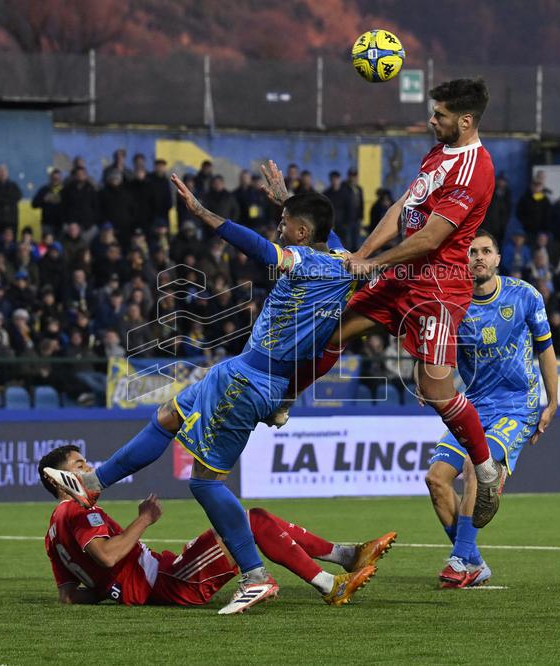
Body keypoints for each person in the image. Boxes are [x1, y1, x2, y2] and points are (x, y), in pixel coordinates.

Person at [43, 165, 355, 614]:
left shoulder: (303, 261)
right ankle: (93, 482)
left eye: (286, 225)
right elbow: (324, 235)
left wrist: (203, 212)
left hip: (248, 380)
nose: (279, 228)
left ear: (302, 233)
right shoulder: (340, 259)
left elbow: (260, 248)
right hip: (245, 371)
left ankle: (255, 576)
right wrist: (285, 200)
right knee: (166, 417)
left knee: (205, 483)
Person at [268, 78, 505, 528]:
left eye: (440, 115)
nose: (431, 120)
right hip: (405, 275)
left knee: (435, 389)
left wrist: (373, 265)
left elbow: (433, 236)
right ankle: (286, 397)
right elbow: (403, 209)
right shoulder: (439, 152)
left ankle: (486, 468)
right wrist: (361, 255)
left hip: (439, 287)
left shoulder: (477, 169)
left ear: (466, 120)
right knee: (333, 329)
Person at [40, 445, 392, 610]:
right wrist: (145, 517)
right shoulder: (78, 511)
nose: (89, 468)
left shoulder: (52, 532)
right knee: (249, 520)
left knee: (252, 519)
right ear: (59, 479)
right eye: (79, 464)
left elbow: (69, 594)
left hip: (163, 576)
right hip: (168, 580)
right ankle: (330, 583)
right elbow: (107, 556)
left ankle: (347, 557)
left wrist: (110, 591)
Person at [424, 231, 558, 588]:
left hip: (517, 406)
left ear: (498, 258)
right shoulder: (453, 302)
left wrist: (553, 402)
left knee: (474, 464)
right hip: (475, 405)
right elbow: (437, 353)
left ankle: (458, 558)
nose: (478, 257)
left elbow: (546, 350)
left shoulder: (525, 295)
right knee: (436, 480)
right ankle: (473, 562)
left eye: (485, 251)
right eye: (471, 252)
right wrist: (428, 380)